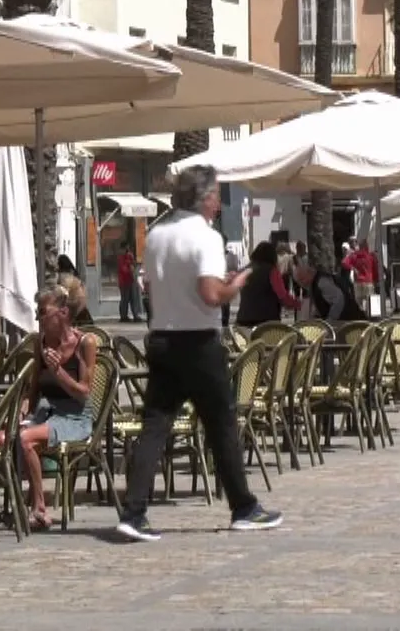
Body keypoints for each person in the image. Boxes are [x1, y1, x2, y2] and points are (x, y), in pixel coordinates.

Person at [117, 165, 280, 541]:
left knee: (155, 427)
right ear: (205, 198)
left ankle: (134, 510)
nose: (218, 203)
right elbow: (210, 295)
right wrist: (235, 284)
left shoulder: (156, 234)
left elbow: (157, 285)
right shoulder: (204, 237)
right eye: (217, 195)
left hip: (162, 337)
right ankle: (243, 506)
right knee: (221, 424)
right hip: (198, 343)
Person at [12, 288, 99, 530]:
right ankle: (12, 504)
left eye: (42, 312)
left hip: (74, 416)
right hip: (46, 412)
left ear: (62, 313)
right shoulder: (40, 343)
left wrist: (58, 371)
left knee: (26, 440)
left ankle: (38, 508)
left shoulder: (85, 343)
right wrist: (25, 406)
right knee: (3, 437)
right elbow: (34, 387)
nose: (38, 318)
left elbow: (84, 392)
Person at [235, 241, 290, 328]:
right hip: (267, 322)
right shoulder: (272, 271)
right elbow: (282, 296)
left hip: (243, 320)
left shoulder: (244, 270)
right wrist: (298, 304)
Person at [344, 240, 381, 308]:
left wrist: (353, 268)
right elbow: (375, 269)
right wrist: (376, 280)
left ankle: (360, 314)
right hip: (368, 282)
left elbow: (344, 262)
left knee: (358, 302)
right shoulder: (371, 256)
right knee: (369, 302)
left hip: (357, 282)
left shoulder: (354, 255)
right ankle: (368, 315)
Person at [116, 248, 143, 322]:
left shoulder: (129, 257)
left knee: (133, 299)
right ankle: (124, 316)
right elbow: (124, 269)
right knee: (125, 299)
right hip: (124, 282)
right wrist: (130, 268)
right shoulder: (121, 258)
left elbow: (133, 266)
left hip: (131, 281)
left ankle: (135, 315)